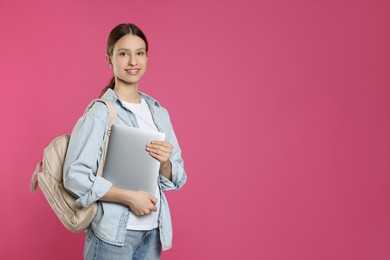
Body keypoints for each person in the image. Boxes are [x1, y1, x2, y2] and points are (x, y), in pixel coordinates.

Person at [63, 23, 187, 260]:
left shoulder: (159, 113)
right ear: (110, 60)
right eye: (123, 53)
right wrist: (130, 197)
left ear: (147, 58)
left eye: (139, 53)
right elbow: (74, 176)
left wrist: (165, 164)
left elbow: (178, 177)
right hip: (112, 236)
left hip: (152, 233)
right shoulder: (100, 113)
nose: (133, 61)